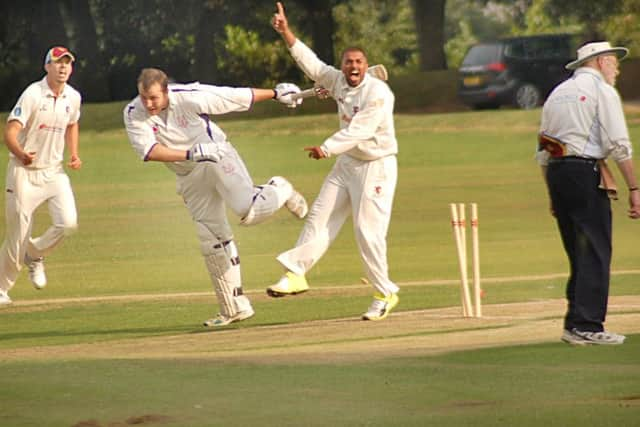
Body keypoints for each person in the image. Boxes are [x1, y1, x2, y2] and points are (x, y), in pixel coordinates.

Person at [123, 67, 308, 327]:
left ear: (166, 91)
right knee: (211, 238)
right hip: (188, 174)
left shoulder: (188, 96)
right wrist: (190, 154)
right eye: (144, 97)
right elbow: (149, 151)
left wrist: (276, 93)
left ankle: (280, 188)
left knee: (247, 211)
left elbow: (232, 97)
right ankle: (234, 308)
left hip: (217, 155)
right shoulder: (133, 113)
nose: (148, 104)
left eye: (154, 98)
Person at [266, 2, 400, 321]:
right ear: (343, 65)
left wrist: (325, 148)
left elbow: (359, 131)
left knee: (367, 232)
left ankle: (385, 292)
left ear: (366, 66)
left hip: (375, 165)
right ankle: (296, 273)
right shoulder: (337, 80)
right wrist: (285, 31)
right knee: (319, 216)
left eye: (358, 62)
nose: (353, 66)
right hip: (347, 164)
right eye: (348, 62)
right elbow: (311, 64)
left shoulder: (378, 94)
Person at [537, 41, 640, 345]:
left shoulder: (557, 93)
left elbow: (545, 150)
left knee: (577, 250)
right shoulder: (602, 91)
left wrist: (552, 193)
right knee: (595, 249)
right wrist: (634, 187)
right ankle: (588, 325)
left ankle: (575, 324)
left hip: (557, 172)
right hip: (584, 172)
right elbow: (618, 143)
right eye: (613, 61)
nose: (616, 68)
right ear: (600, 61)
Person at [0, 46, 82, 306]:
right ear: (47, 66)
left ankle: (34, 255)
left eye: (67, 63)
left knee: (68, 223)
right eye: (58, 63)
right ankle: (1, 288)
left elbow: (72, 123)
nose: (63, 67)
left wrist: (74, 153)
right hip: (23, 173)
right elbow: (10, 132)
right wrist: (21, 153)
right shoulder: (33, 94)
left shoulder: (73, 97)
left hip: (53, 172)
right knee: (17, 236)